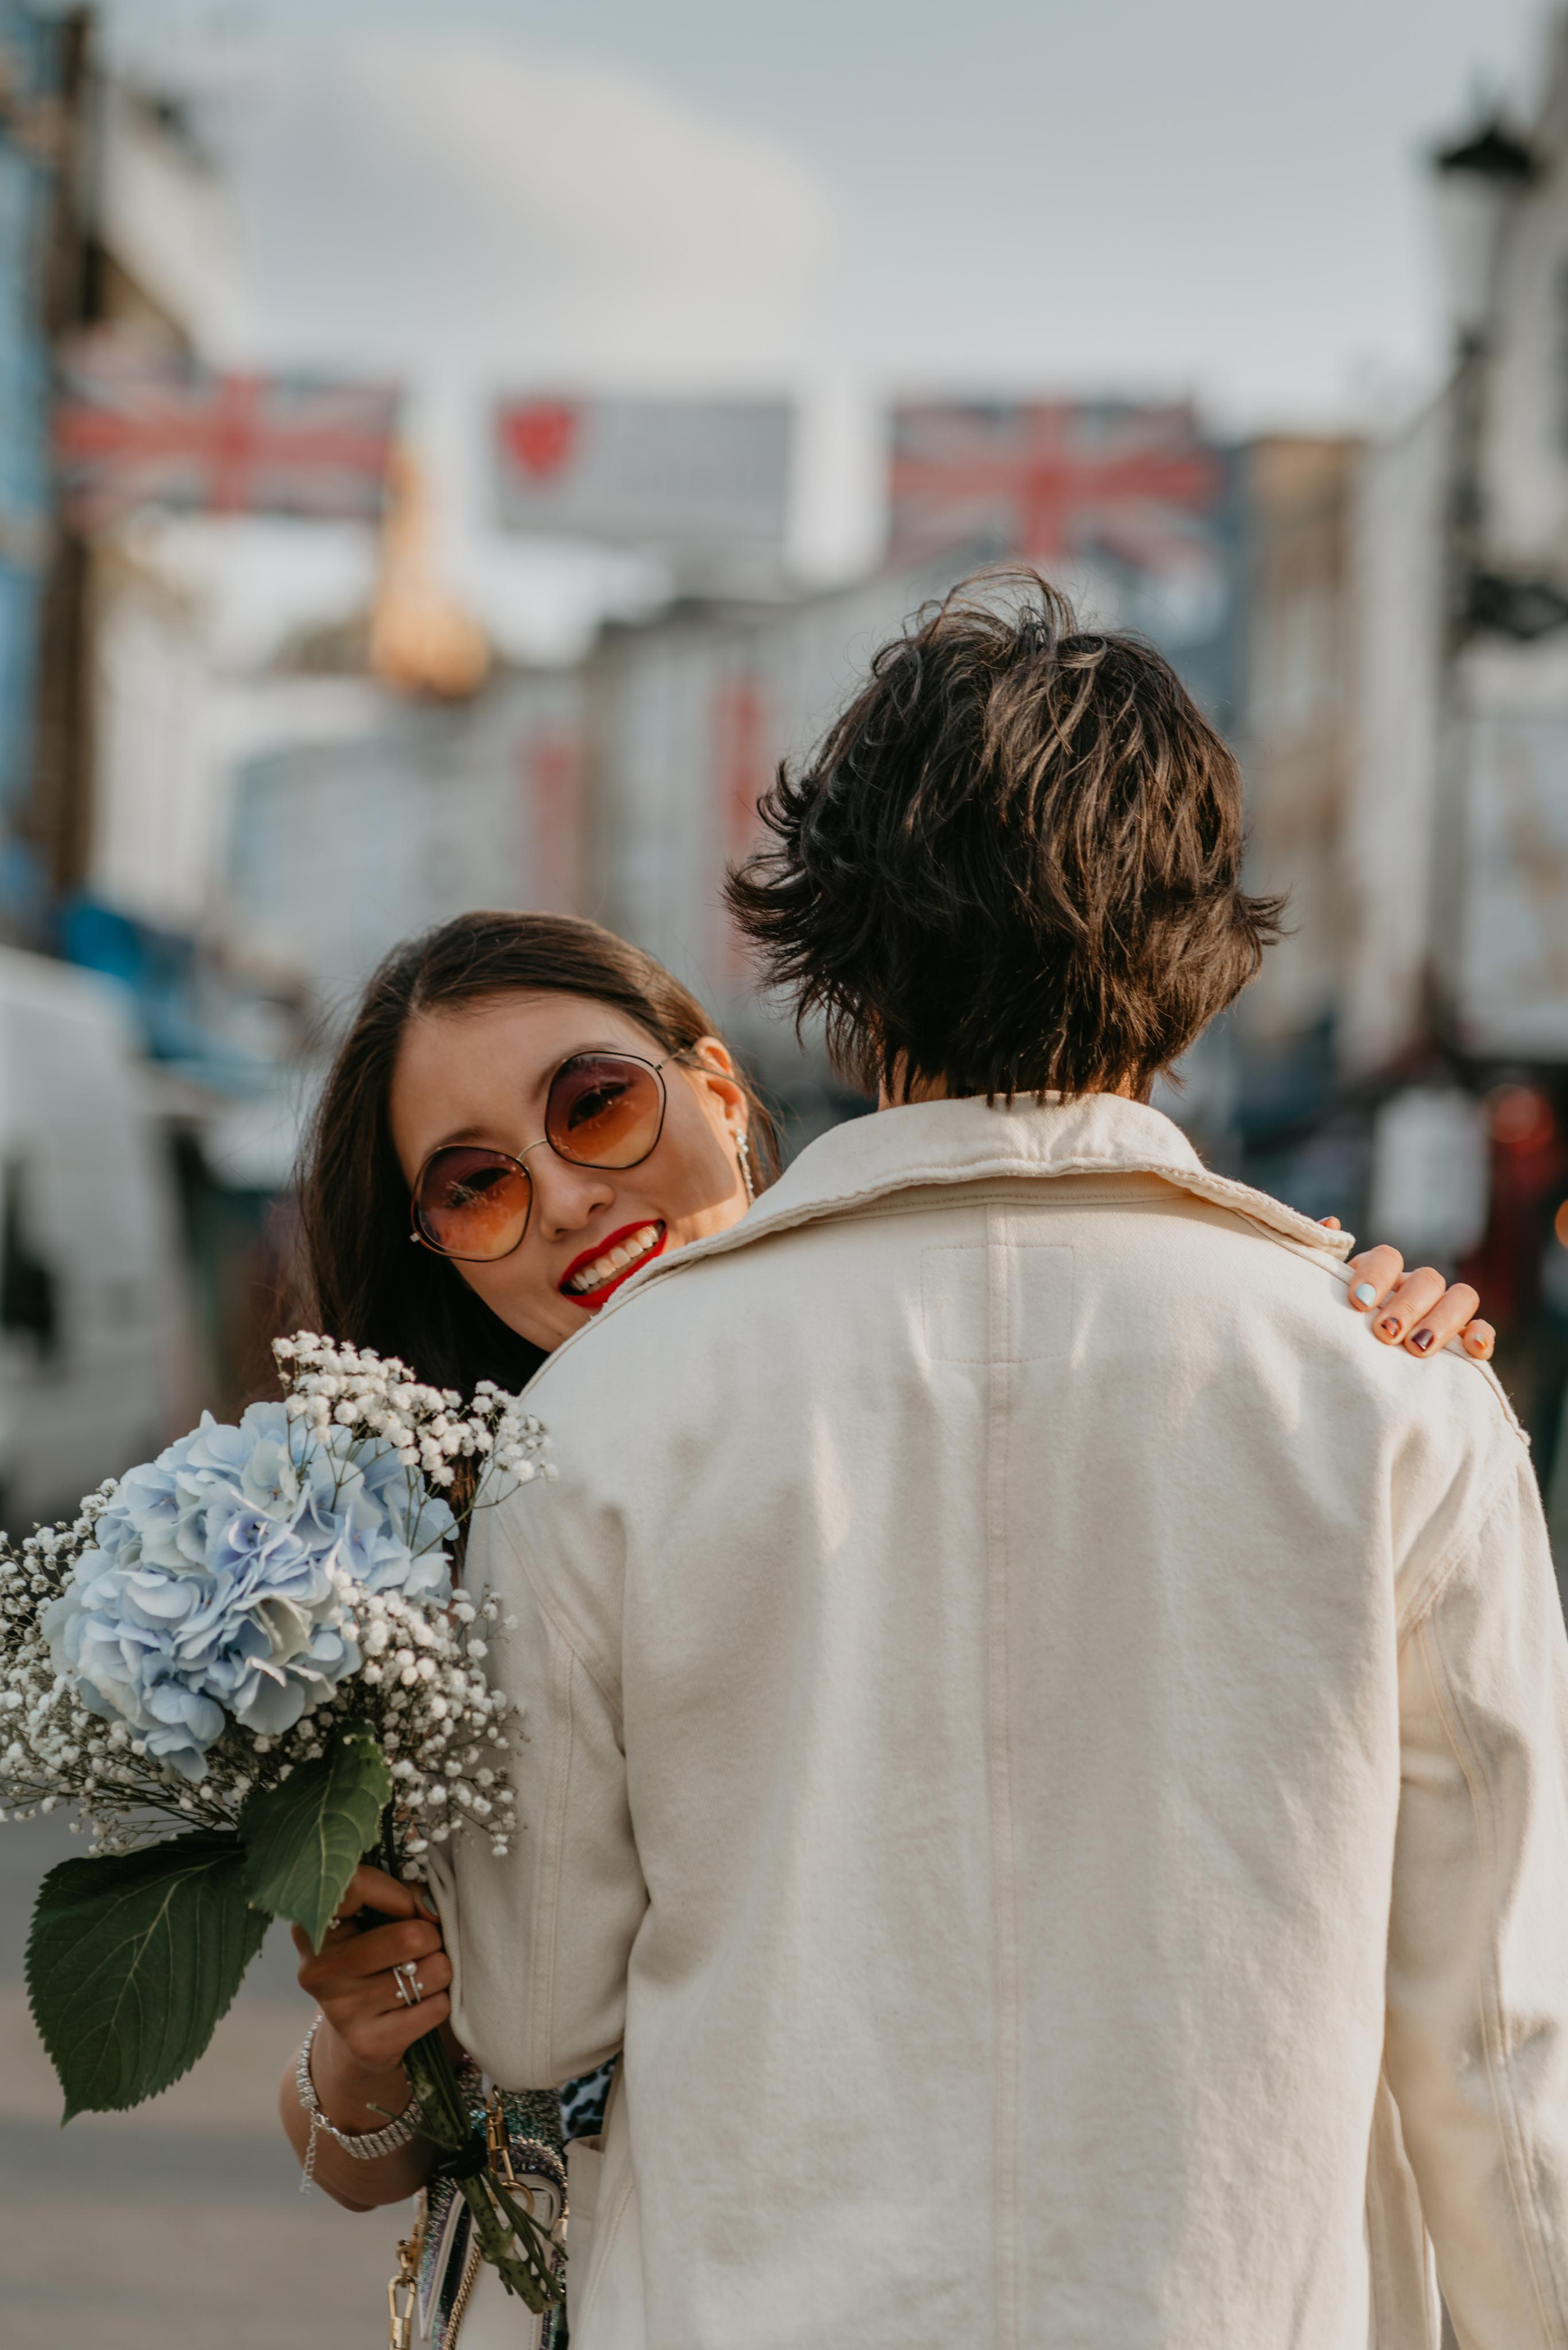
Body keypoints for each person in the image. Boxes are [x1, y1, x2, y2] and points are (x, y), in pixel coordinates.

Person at [412, 576, 1568, 2349]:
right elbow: (1497, 2047)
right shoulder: (1400, 1388)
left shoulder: (614, 1405)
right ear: (1202, 950)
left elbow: (540, 2005)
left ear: (836, 962)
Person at [275, 903, 1488, 2230]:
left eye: (595, 1104)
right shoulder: (419, 1554)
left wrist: (1345, 1335)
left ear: (719, 1090)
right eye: (475, 1183)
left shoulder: (970, 1356)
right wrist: (365, 2033)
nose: (564, 1191)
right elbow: (367, 2147)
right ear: (437, 1248)